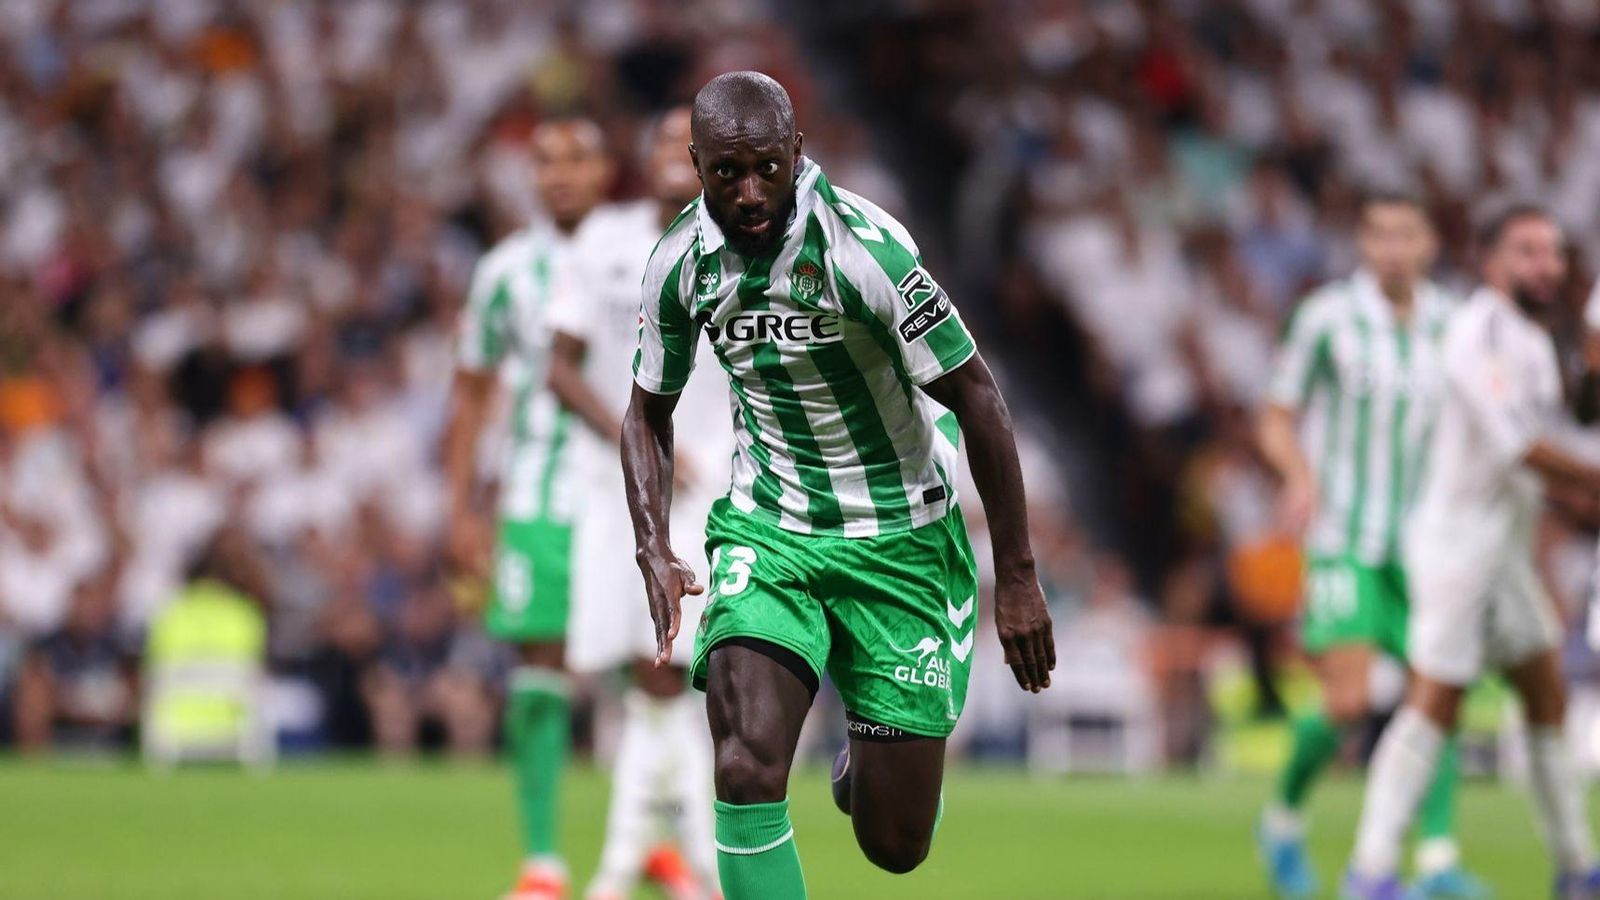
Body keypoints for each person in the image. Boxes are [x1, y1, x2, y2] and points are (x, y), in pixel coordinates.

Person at [620, 71, 1055, 900]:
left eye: (766, 170)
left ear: (796, 153)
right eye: (725, 173)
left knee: (895, 846)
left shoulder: (865, 247)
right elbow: (646, 411)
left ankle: (863, 752)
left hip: (901, 539)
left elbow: (979, 399)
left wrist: (1021, 578)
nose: (748, 194)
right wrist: (654, 544)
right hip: (769, 527)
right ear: (696, 163)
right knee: (744, 765)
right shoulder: (678, 261)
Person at [1342, 205, 1600, 900]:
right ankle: (1368, 872)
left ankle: (1578, 868)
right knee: (1434, 704)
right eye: (1527, 252)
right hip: (1455, 550)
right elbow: (1522, 446)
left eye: (1552, 253)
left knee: (1545, 694)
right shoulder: (1474, 333)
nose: (1545, 265)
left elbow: (1570, 430)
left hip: (1506, 550)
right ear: (1491, 262)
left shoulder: (1537, 340)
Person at [1254, 193, 1485, 899]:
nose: (1391, 247)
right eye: (1378, 234)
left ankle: (1438, 861)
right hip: (1346, 537)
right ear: (1361, 242)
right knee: (1350, 702)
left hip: (1428, 544)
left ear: (1429, 243)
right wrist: (1296, 475)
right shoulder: (1328, 318)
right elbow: (1276, 415)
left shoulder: (1456, 323)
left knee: (1433, 698)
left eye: (1405, 234)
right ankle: (1284, 821)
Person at [546, 108, 723, 900]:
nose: (666, 157)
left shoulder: (743, 244)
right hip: (617, 488)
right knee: (646, 684)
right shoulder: (602, 242)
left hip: (712, 492)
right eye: (654, 141)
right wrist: (640, 435)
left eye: (681, 145)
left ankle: (627, 870)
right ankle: (689, 868)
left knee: (669, 680)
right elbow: (559, 368)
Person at [442, 119, 609, 900]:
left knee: (658, 667)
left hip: (627, 492)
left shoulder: (647, 251)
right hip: (538, 495)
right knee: (538, 666)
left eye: (576, 159)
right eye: (546, 162)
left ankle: (654, 840)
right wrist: (461, 509)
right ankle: (542, 859)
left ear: (607, 170)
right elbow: (472, 392)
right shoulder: (504, 271)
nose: (561, 175)